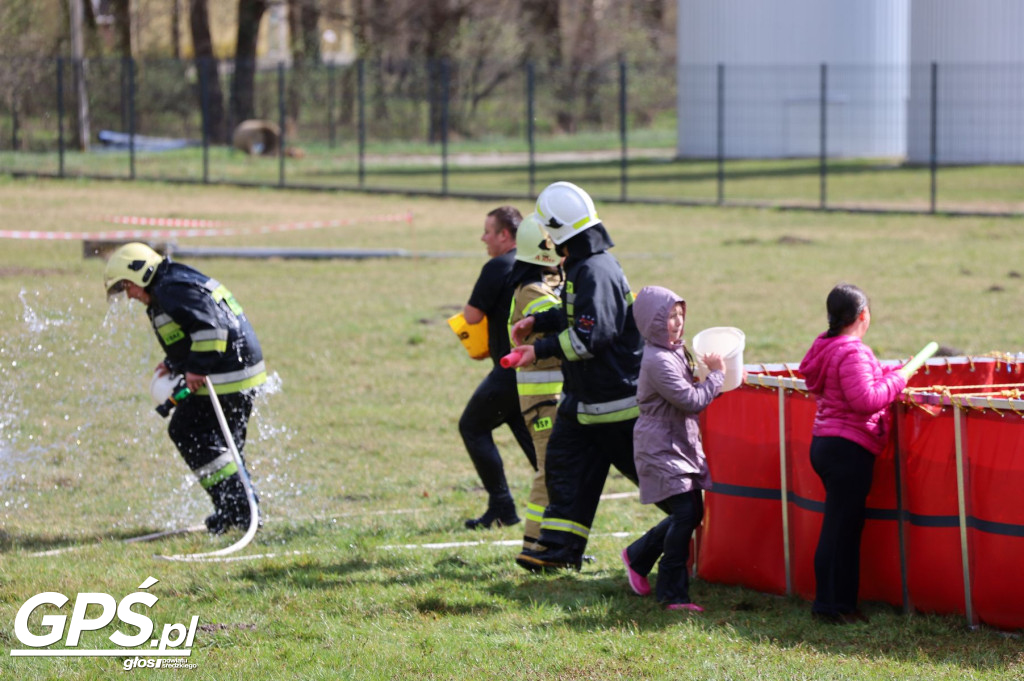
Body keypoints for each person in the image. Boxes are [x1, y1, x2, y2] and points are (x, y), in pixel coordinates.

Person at [509, 181, 650, 572]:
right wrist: (538, 320)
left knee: (656, 484)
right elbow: (576, 314)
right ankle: (556, 551)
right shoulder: (585, 266)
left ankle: (688, 520)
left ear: (554, 233)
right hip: (584, 400)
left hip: (613, 402)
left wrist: (539, 348)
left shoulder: (594, 270)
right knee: (564, 470)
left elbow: (591, 336)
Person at [103, 242, 266, 534]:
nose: (128, 295)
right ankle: (234, 509)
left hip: (228, 374)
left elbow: (212, 329)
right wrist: (176, 362)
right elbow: (192, 327)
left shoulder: (170, 288)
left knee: (187, 429)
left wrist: (196, 368)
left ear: (140, 273)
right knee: (220, 445)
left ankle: (241, 509)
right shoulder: (170, 283)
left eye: (127, 286)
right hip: (234, 369)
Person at [798, 283, 909, 624]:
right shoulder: (854, 351)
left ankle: (842, 603)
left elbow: (860, 386)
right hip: (848, 448)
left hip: (828, 443)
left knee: (844, 527)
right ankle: (829, 606)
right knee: (839, 528)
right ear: (863, 316)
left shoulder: (828, 346)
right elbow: (866, 400)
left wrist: (889, 374)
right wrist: (901, 379)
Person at [620, 286, 724, 611]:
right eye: (669, 317)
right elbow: (689, 399)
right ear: (652, 322)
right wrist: (718, 376)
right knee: (686, 512)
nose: (677, 322)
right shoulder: (658, 360)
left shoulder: (674, 351)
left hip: (676, 442)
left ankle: (638, 556)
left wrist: (714, 379)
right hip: (660, 446)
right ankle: (672, 593)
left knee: (689, 511)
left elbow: (691, 392)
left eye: (680, 314)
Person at [460, 207, 538, 530]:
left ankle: (504, 504)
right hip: (535, 371)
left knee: (473, 427)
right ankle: (559, 508)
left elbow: (471, 316)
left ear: (505, 235)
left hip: (509, 372)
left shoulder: (497, 267)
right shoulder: (534, 265)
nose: (484, 238)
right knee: (539, 450)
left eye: (488, 232)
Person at [506, 214, 564, 549]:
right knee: (549, 471)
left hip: (554, 396)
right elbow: (561, 317)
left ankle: (555, 542)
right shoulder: (532, 290)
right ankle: (536, 545)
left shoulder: (547, 283)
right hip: (544, 399)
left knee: (560, 470)